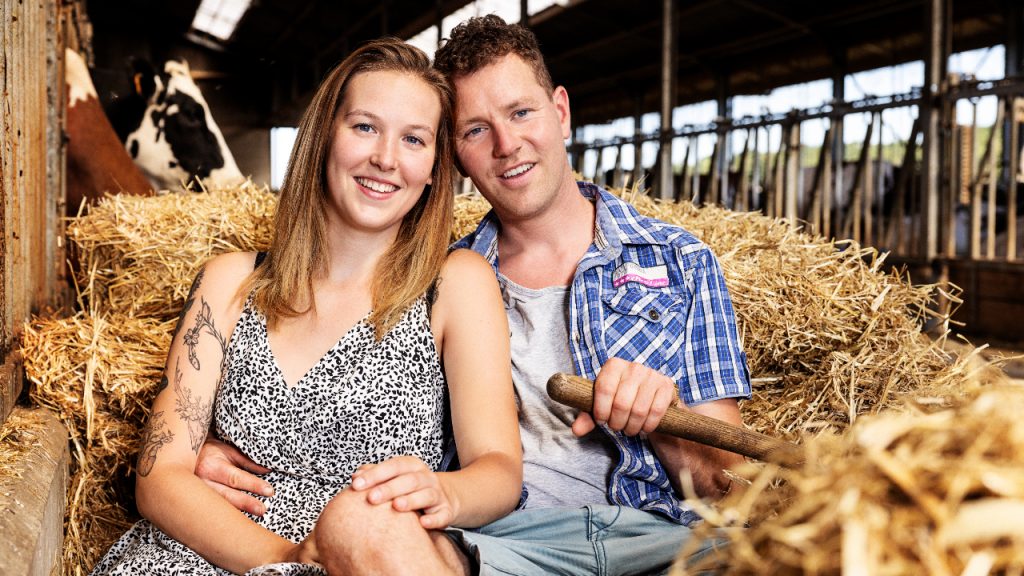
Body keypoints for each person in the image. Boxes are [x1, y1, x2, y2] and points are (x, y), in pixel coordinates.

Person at [199, 15, 752, 575]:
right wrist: (224, 447)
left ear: (560, 111)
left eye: (521, 112)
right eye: (475, 130)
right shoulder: (434, 284)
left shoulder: (679, 260)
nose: (507, 145)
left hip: (660, 538)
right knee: (363, 528)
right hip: (498, 548)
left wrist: (663, 418)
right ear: (453, 158)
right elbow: (360, 426)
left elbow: (732, 486)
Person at [90, 38, 522, 576]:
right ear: (323, 137)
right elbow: (159, 473)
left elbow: (499, 470)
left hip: (362, 560)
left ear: (435, 167)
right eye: (364, 127)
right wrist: (286, 562)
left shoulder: (454, 284)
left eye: (413, 139)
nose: (386, 159)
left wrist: (444, 492)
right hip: (195, 553)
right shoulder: (228, 282)